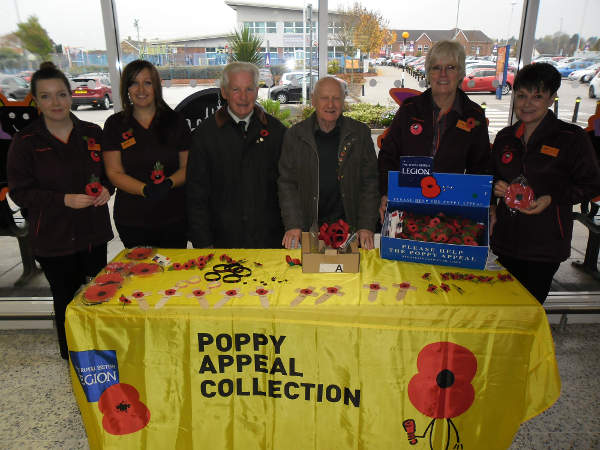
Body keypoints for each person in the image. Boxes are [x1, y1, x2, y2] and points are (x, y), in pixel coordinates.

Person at [7, 62, 113, 360]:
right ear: (36, 101)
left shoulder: (93, 132)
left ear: (70, 96)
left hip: (93, 233)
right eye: (46, 96)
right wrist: (63, 200)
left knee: (96, 296)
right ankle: (72, 356)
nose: (56, 102)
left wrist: (107, 189)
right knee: (66, 299)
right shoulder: (26, 142)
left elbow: (108, 174)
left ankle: (100, 353)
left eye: (61, 94)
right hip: (53, 238)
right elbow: (20, 191)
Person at [491, 63, 600, 304]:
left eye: (537, 96)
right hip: (505, 241)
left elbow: (592, 184)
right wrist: (494, 192)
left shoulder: (571, 138)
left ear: (551, 99)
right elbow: (491, 177)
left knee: (527, 311)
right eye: (521, 95)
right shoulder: (506, 137)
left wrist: (552, 197)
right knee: (501, 308)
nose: (527, 103)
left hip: (545, 245)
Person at [377, 40, 491, 222]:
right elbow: (388, 157)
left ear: (461, 72)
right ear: (428, 73)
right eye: (436, 68)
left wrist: (483, 206)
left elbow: (481, 168)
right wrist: (385, 193)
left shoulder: (474, 116)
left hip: (452, 208)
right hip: (407, 203)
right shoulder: (409, 109)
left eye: (451, 67)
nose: (443, 74)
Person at [187, 61, 286, 248]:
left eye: (249, 89)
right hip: (221, 241)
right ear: (224, 92)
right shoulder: (205, 135)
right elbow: (196, 194)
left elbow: (288, 186)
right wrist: (202, 241)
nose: (243, 97)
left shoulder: (277, 132)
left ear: (257, 91)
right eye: (235, 90)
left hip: (269, 240)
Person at [278, 76, 379, 249]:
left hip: (351, 231)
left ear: (343, 101)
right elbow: (287, 184)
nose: (330, 105)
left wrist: (366, 225)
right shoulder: (295, 135)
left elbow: (370, 183)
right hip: (310, 231)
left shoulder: (360, 134)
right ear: (313, 100)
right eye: (324, 98)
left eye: (336, 98)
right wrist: (293, 224)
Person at [103, 60, 190, 248]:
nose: (141, 89)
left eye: (147, 82)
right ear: (127, 87)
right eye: (134, 82)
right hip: (132, 219)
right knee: (139, 274)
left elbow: (187, 166)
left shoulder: (176, 122)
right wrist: (145, 189)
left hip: (174, 217)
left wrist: (168, 183)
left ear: (156, 87)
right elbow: (114, 172)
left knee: (173, 275)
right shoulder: (115, 125)